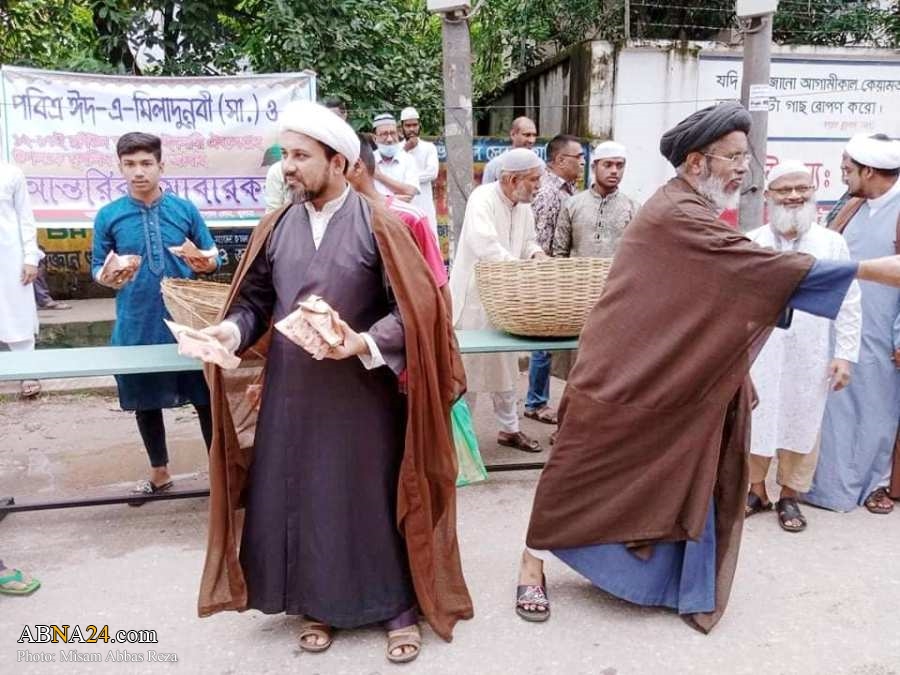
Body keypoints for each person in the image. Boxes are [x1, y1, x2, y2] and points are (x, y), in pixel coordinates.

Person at [515, 102, 900, 633]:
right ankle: (530, 562)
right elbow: (755, 270)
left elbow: (730, 281)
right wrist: (870, 269)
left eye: (748, 157)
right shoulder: (677, 213)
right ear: (697, 162)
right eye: (735, 157)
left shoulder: (693, 209)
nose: (745, 169)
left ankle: (665, 579)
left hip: (670, 371)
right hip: (622, 372)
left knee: (674, 469)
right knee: (581, 470)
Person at [197, 102, 472, 664]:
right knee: (302, 495)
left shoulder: (381, 224)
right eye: (285, 156)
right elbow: (254, 303)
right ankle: (317, 602)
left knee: (367, 497)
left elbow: (415, 311)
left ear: (339, 162)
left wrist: (361, 343)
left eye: (301, 156)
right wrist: (228, 332)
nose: (288, 167)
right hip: (292, 394)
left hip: (361, 393)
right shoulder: (275, 226)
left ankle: (396, 607)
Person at [91, 132, 219, 499]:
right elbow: (98, 267)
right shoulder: (109, 216)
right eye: (129, 165)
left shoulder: (185, 210)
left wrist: (203, 260)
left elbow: (212, 257)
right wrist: (109, 275)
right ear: (120, 167)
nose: (138, 172)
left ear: (161, 166)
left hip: (187, 323)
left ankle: (220, 475)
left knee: (205, 398)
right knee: (144, 399)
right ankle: (159, 472)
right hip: (137, 321)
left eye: (146, 163)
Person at [745, 161, 861, 533]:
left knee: (803, 420)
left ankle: (790, 494)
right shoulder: (752, 242)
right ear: (768, 196)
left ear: (813, 193)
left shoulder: (832, 243)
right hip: (761, 352)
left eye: (802, 188)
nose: (794, 195)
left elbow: (849, 301)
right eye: (784, 189)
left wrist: (844, 354)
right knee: (757, 420)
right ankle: (757, 490)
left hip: (811, 351)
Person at [805, 133, 900, 514]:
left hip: (886, 328)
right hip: (846, 324)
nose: (843, 176)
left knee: (880, 409)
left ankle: (877, 484)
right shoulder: (852, 205)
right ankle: (830, 487)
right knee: (841, 408)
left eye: (848, 170)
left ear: (870, 171)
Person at [449, 148, 546, 453]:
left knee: (505, 367)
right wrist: (518, 268)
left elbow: (528, 240)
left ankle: (510, 430)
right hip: (475, 298)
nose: (538, 185)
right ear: (511, 179)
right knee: (468, 371)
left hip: (506, 300)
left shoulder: (523, 206)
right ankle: (459, 441)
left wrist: (536, 254)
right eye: (533, 179)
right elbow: (484, 244)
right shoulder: (483, 198)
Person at [523, 135, 584, 435]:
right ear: (560, 160)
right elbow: (540, 236)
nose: (582, 162)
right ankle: (535, 401)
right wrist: (546, 276)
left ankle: (537, 399)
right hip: (545, 273)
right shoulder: (548, 192)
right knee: (544, 341)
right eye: (578, 157)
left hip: (556, 271)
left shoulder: (568, 189)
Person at [347, 134, 448, 293]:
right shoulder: (327, 221)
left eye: (337, 164)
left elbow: (439, 287)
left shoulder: (410, 218)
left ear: (357, 167)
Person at [552, 141, 641, 259]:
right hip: (576, 276)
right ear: (594, 168)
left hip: (616, 276)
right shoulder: (572, 204)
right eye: (608, 165)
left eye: (619, 165)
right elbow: (559, 253)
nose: (614, 171)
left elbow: (637, 254)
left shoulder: (633, 208)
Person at [0, 161, 41, 399]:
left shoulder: (11, 173)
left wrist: (30, 257)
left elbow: (25, 217)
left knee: (17, 309)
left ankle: (27, 370)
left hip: (9, 254)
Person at [399, 107, 440, 239]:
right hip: (404, 206)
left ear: (419, 126)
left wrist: (407, 178)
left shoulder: (429, 148)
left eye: (415, 125)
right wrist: (405, 150)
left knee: (429, 243)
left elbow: (432, 173)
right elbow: (393, 172)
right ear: (402, 128)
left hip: (424, 206)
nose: (412, 129)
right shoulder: (397, 150)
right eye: (408, 125)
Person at [372, 113, 419, 202]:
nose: (389, 139)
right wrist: (393, 199)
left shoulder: (408, 159)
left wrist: (379, 176)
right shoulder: (368, 160)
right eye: (384, 134)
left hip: (403, 215)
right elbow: (364, 196)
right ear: (375, 138)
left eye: (393, 133)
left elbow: (410, 191)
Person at [482, 117, 540, 185]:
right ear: (513, 134)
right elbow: (486, 193)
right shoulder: (494, 166)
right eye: (527, 135)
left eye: (534, 135)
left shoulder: (540, 164)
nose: (532, 140)